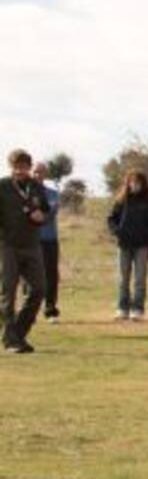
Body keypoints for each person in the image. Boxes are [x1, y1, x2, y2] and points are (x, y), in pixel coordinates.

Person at [0, 148, 49, 355]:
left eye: (24, 167)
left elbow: (45, 210)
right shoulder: (2, 187)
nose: (20, 171)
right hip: (7, 246)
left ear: (29, 167)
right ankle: (11, 340)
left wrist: (41, 216)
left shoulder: (36, 187)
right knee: (7, 293)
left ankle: (18, 333)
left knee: (39, 289)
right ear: (11, 167)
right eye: (16, 167)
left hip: (31, 245)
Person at [107, 169, 148, 320]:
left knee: (140, 279)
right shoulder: (121, 200)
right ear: (127, 183)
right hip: (124, 244)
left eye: (137, 182)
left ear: (143, 184)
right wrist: (117, 231)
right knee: (123, 278)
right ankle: (122, 308)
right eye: (132, 182)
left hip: (143, 246)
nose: (134, 185)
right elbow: (111, 219)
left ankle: (138, 309)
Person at [31, 162, 61, 322]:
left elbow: (50, 212)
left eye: (41, 172)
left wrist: (36, 216)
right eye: (35, 172)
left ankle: (50, 309)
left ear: (45, 174)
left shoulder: (52, 193)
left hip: (49, 239)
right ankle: (29, 311)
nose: (38, 175)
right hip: (30, 239)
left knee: (51, 274)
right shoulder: (25, 192)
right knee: (29, 274)